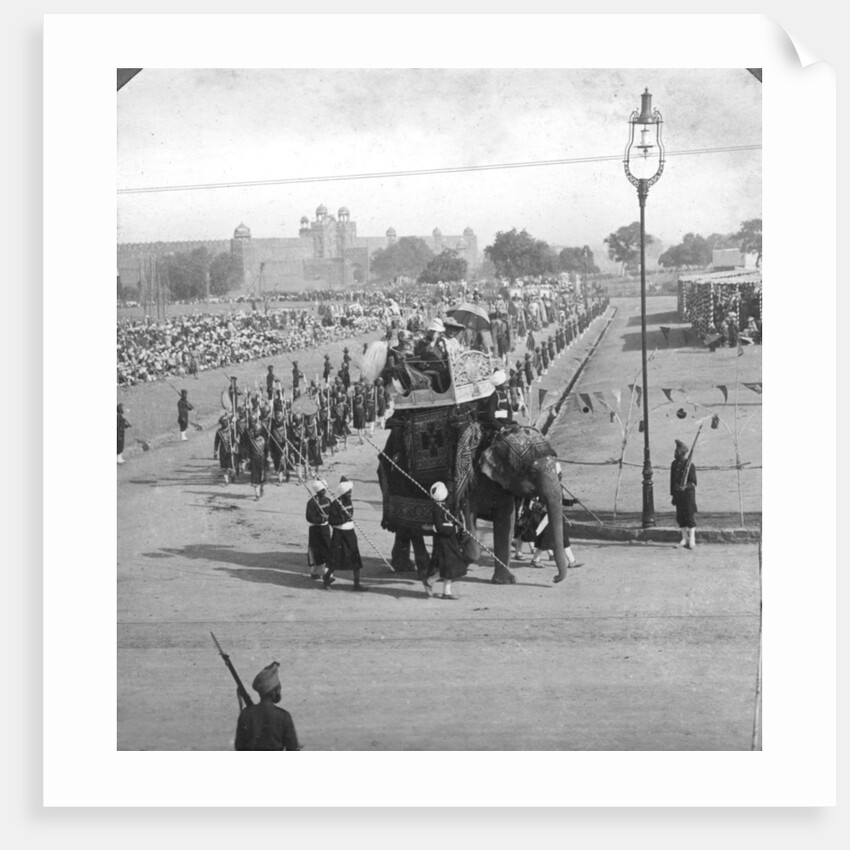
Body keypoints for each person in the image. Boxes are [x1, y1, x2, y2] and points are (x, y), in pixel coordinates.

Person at [234, 662, 301, 751]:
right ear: (274, 691)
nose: (280, 690)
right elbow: (293, 749)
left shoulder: (246, 714)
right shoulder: (284, 717)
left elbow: (239, 747)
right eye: (279, 688)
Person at [422, 481, 467, 599]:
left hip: (450, 540)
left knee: (452, 566)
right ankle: (430, 581)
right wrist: (455, 529)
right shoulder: (437, 509)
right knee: (448, 567)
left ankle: (447, 592)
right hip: (443, 541)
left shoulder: (446, 505)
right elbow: (440, 527)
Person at [324, 476, 367, 591]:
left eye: (350, 491)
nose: (350, 494)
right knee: (335, 559)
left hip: (350, 532)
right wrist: (344, 518)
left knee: (355, 559)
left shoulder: (349, 501)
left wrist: (348, 517)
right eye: (348, 492)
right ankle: (326, 578)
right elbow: (332, 521)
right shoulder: (335, 504)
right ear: (343, 492)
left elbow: (351, 513)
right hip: (339, 534)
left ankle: (356, 584)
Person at [670, 438, 698, 549]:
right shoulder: (674, 464)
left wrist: (685, 487)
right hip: (678, 495)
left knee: (689, 517)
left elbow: (693, 482)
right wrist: (673, 494)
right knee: (680, 517)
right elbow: (672, 481)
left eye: (677, 452)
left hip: (688, 496)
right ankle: (684, 538)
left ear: (682, 453)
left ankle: (692, 539)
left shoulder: (689, 465)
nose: (675, 454)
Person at [306, 479, 332, 580]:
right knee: (316, 550)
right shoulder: (312, 502)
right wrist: (321, 519)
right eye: (321, 491)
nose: (323, 492)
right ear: (317, 491)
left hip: (325, 528)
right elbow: (309, 517)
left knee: (326, 548)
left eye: (324, 490)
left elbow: (331, 512)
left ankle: (316, 571)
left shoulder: (328, 500)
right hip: (315, 529)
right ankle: (321, 572)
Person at [242, 422, 267, 500]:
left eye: (256, 431)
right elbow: (248, 451)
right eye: (254, 431)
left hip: (262, 461)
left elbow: (267, 450)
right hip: (254, 461)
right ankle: (257, 495)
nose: (255, 432)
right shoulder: (251, 440)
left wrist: (268, 457)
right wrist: (247, 459)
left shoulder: (264, 440)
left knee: (262, 477)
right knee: (255, 478)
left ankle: (261, 488)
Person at [213, 414, 237, 484]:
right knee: (224, 467)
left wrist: (234, 447)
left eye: (225, 422)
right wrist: (215, 451)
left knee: (231, 465)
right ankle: (226, 480)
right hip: (222, 451)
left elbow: (235, 441)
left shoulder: (232, 430)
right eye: (223, 423)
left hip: (230, 450)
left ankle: (232, 475)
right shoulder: (219, 432)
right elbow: (216, 442)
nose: (224, 424)